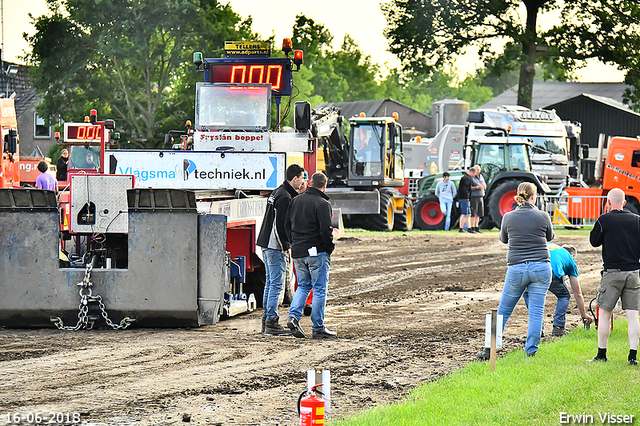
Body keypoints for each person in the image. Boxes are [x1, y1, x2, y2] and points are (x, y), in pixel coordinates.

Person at [477, 182, 554, 360]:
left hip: (517, 268)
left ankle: (489, 350)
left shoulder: (508, 217)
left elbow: (504, 239)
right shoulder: (543, 216)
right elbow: (550, 236)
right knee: (536, 312)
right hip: (541, 267)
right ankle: (531, 351)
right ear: (534, 197)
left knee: (503, 309)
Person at [588, 188, 640, 365]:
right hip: (633, 274)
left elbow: (594, 241)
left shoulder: (605, 219)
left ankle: (602, 354)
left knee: (604, 314)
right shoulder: (637, 220)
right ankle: (632, 357)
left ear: (608, 202)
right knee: (633, 316)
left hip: (612, 274)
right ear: (624, 203)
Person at [256, 164, 306, 336]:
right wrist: (287, 244)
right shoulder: (284, 197)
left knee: (270, 283)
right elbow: (281, 226)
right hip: (274, 245)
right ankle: (271, 321)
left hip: (266, 243)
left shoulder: (278, 192)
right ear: (295, 178)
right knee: (276, 284)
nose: (303, 182)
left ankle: (267, 320)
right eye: (302, 178)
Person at [286, 172, 336, 339]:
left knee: (303, 285)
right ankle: (318, 327)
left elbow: (287, 225)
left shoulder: (295, 201)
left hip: (298, 251)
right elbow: (325, 230)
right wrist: (329, 248)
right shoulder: (322, 203)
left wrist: (293, 243)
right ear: (324, 185)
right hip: (317, 252)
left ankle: (293, 316)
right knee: (319, 288)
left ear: (309, 183)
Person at [522, 244, 592, 337]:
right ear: (573, 256)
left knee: (528, 294)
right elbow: (577, 293)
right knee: (564, 295)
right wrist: (583, 314)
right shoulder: (570, 259)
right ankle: (558, 327)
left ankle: (537, 328)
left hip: (528, 268)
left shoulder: (551, 246)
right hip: (550, 271)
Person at [458, 167, 475, 233]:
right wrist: (467, 197)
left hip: (464, 198)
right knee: (464, 213)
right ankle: (461, 228)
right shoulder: (467, 179)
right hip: (464, 198)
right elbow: (465, 189)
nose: (474, 176)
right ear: (471, 172)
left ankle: (469, 228)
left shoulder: (465, 177)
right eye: (474, 174)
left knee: (468, 214)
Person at [470, 165, 486, 233]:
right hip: (474, 197)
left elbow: (484, 185)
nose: (477, 171)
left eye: (478, 169)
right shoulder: (471, 178)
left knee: (479, 214)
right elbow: (469, 188)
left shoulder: (481, 177)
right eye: (476, 169)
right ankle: (472, 227)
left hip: (481, 196)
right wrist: (477, 187)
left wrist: (484, 186)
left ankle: (477, 227)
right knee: (473, 213)